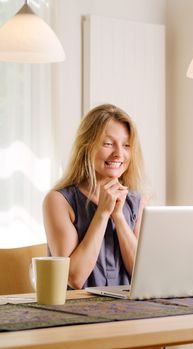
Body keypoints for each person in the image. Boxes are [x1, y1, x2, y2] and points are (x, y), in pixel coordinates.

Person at [43, 103, 146, 290]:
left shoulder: (136, 202)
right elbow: (74, 278)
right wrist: (102, 213)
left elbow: (143, 274)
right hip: (77, 312)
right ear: (86, 146)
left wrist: (119, 216)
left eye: (126, 145)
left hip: (127, 312)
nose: (119, 153)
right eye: (108, 144)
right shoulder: (58, 201)